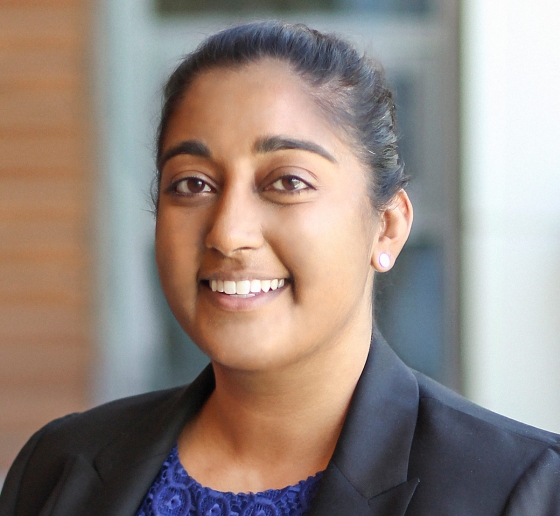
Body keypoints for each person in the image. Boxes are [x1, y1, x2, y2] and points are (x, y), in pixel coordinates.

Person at [0, 21, 559, 516]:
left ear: (386, 226)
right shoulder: (57, 469)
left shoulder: (520, 489)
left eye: (287, 182)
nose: (228, 233)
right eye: (193, 184)